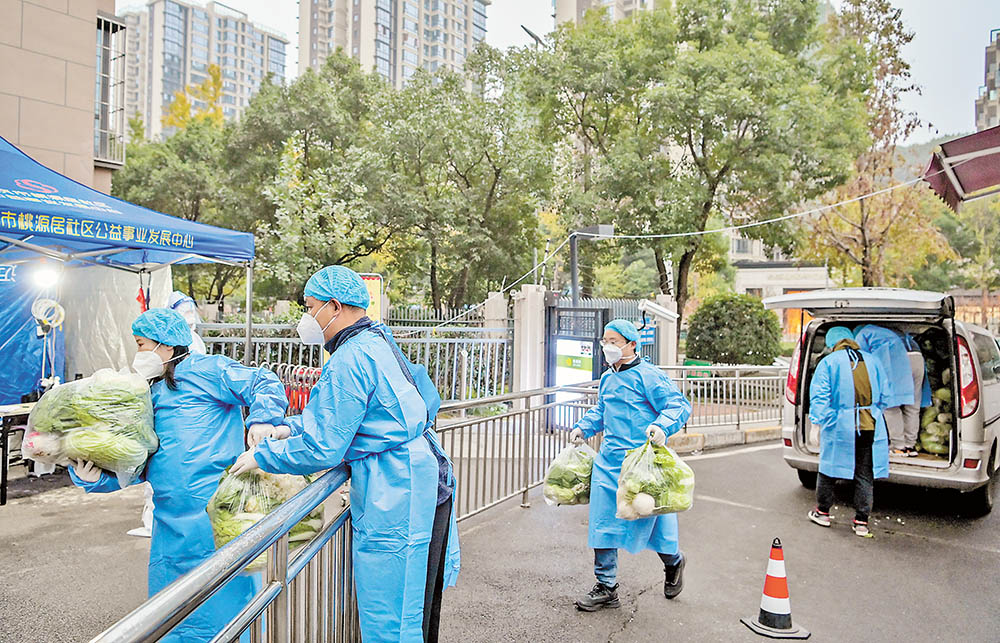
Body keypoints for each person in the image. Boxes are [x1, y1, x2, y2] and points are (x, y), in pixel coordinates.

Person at [229, 265, 459, 643]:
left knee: (392, 612)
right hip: (416, 474)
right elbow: (346, 416)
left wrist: (264, 456)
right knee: (414, 602)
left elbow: (325, 445)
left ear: (335, 307)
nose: (306, 318)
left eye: (310, 306)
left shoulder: (350, 359)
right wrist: (293, 427)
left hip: (398, 486)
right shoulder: (375, 341)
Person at [68, 308, 288, 641]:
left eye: (142, 345)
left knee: (225, 616)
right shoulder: (149, 394)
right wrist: (95, 478)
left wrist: (263, 418)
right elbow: (140, 463)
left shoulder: (208, 370)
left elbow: (263, 381)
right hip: (170, 532)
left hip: (218, 520)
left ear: (167, 347)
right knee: (173, 619)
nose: (138, 354)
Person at [567, 319, 692, 611]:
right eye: (605, 342)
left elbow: (678, 405)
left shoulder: (649, 376)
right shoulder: (608, 378)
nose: (607, 347)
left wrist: (662, 426)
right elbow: (601, 410)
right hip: (609, 463)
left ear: (632, 344)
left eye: (614, 341)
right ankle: (606, 586)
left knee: (656, 523)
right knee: (602, 524)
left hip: (643, 465)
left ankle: (673, 562)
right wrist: (583, 427)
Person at [807, 326, 891, 538]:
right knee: (864, 472)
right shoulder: (873, 361)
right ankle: (861, 522)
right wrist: (873, 411)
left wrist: (816, 424)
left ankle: (823, 513)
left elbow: (820, 396)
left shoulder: (828, 363)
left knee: (829, 468)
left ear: (833, 343)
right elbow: (886, 395)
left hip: (839, 425)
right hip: (869, 424)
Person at [854, 324, 916, 457]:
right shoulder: (885, 332)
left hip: (894, 360)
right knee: (912, 406)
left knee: (890, 405)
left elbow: (860, 359)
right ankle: (910, 445)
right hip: (916, 358)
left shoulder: (862, 334)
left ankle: (898, 446)